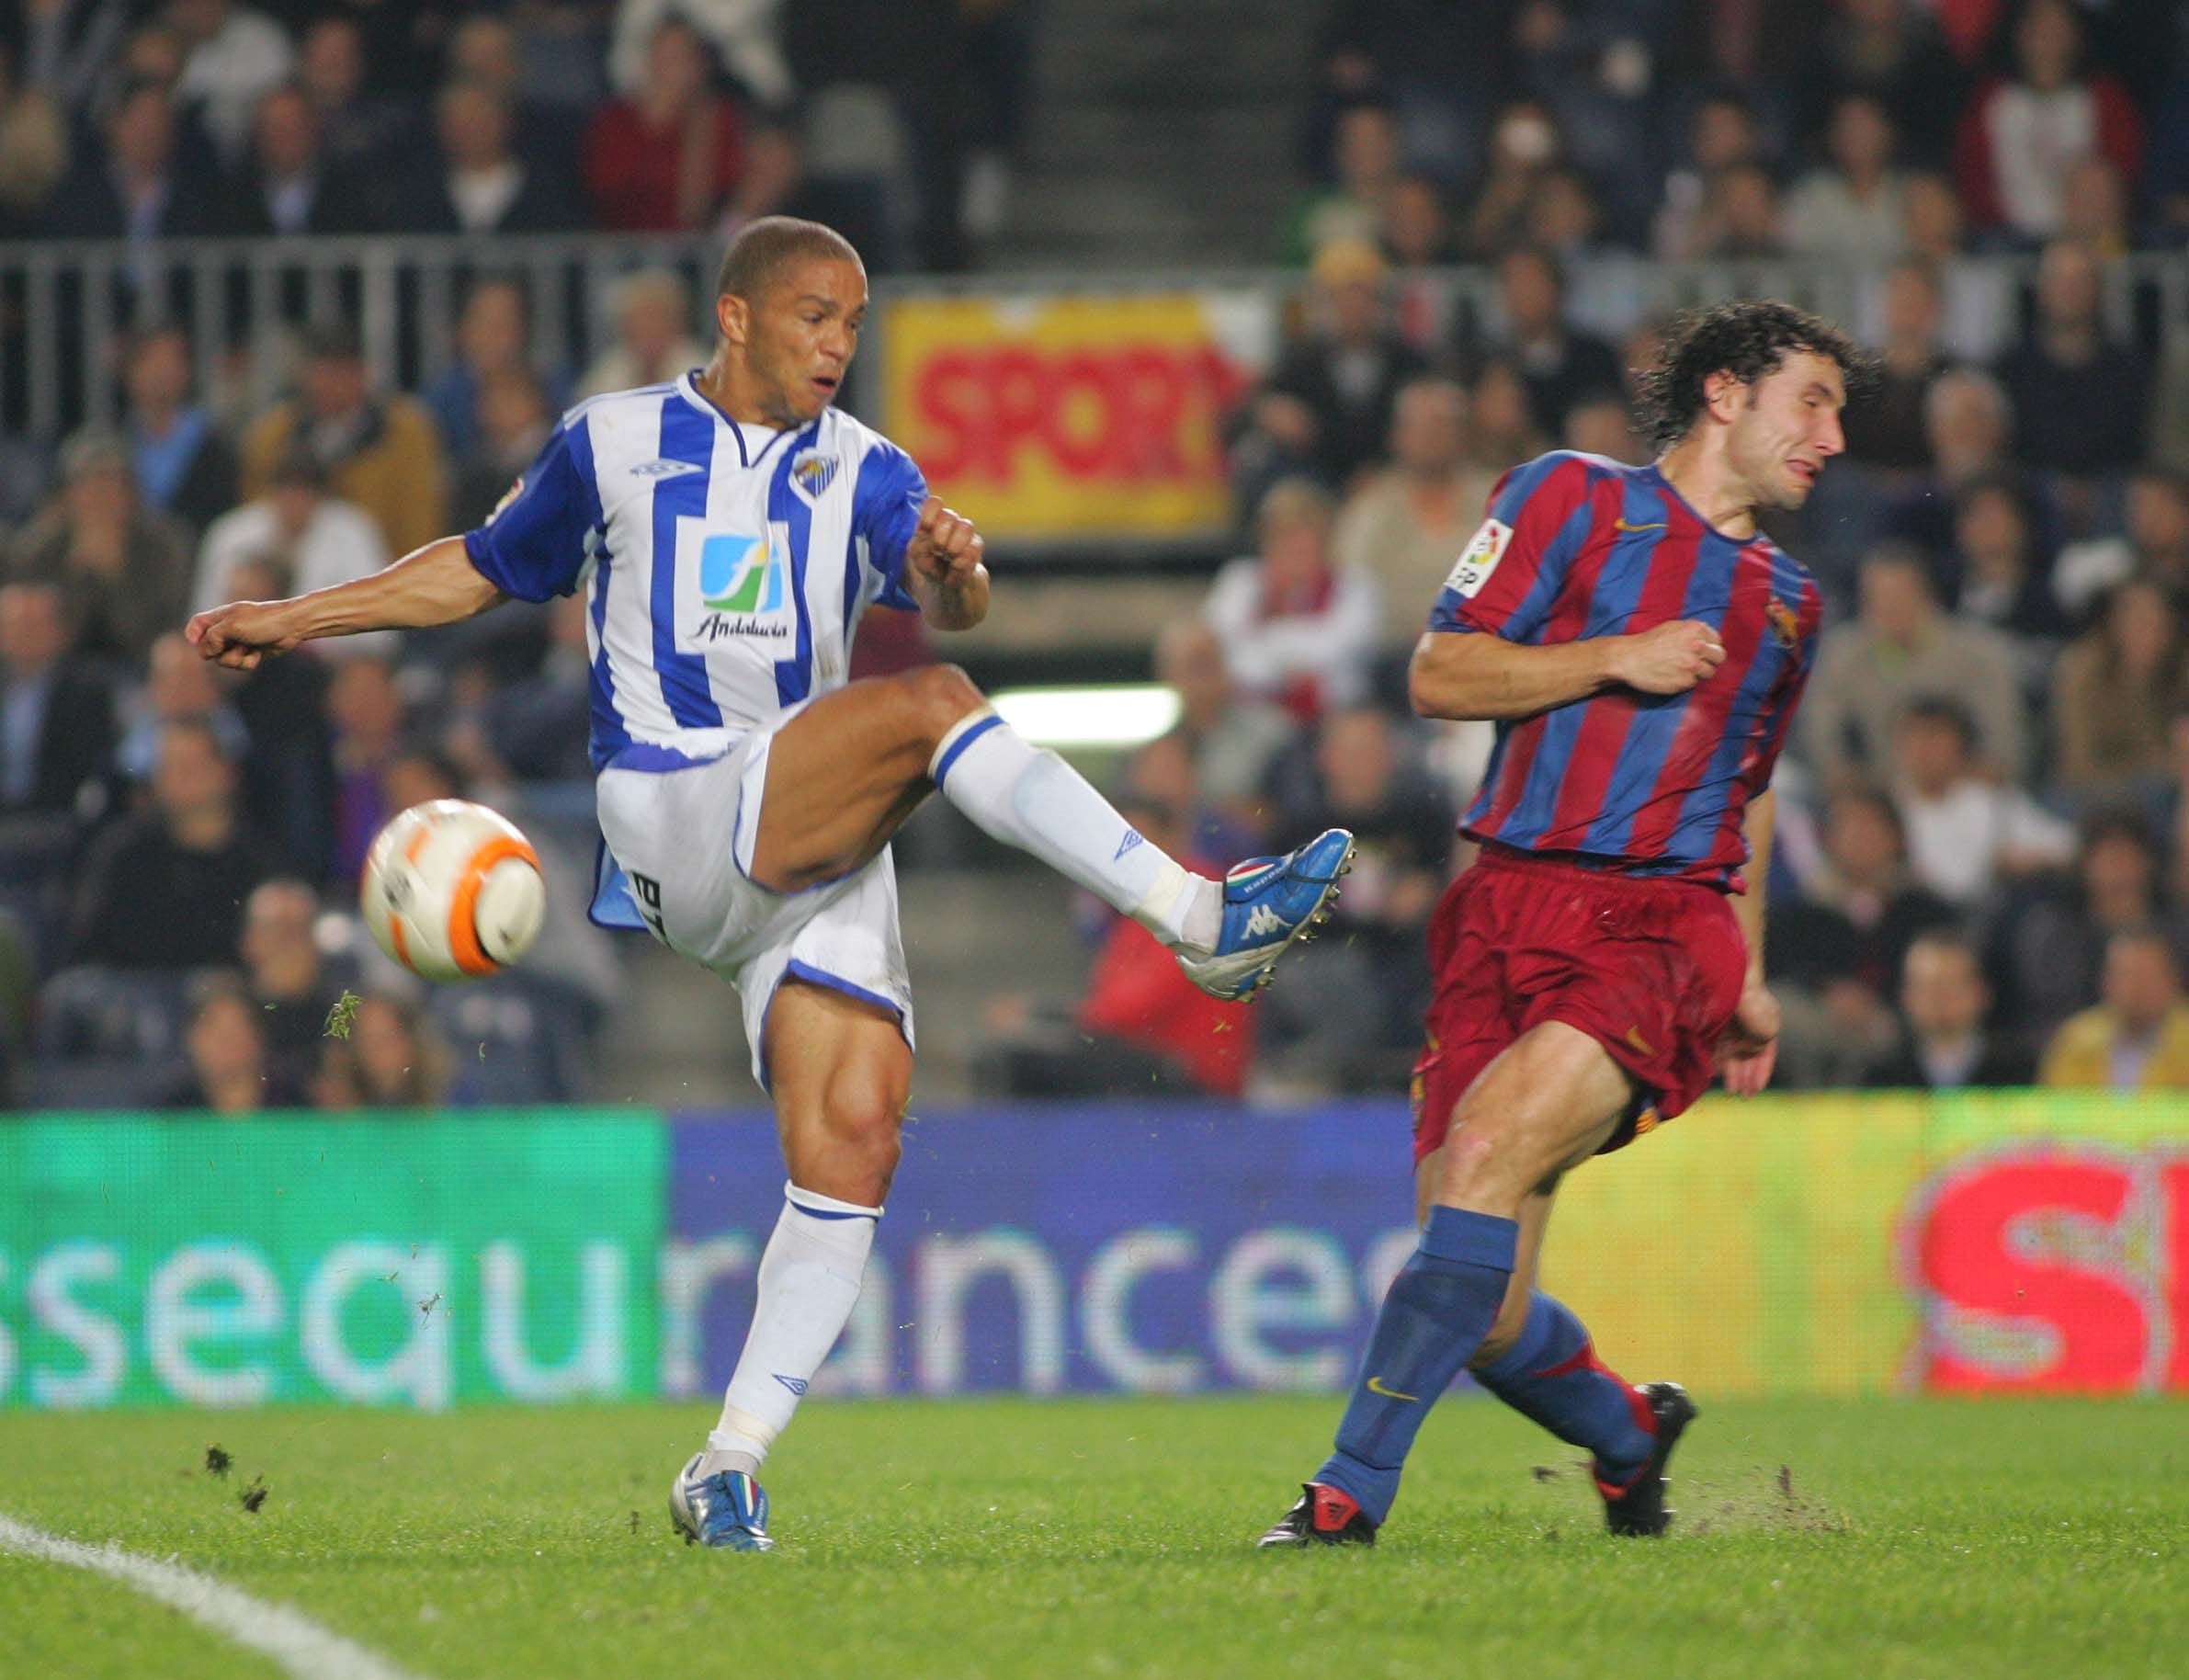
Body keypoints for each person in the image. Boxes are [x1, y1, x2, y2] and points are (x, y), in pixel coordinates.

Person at [187, 215, 1354, 1551]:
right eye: (813, 317)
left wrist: (951, 572)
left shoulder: (865, 467)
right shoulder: (613, 442)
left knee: (853, 1142)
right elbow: (476, 569)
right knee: (926, 707)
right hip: (675, 808)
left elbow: (950, 594)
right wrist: (294, 617)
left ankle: (726, 1464)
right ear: (735, 317)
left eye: (853, 324)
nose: (837, 348)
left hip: (810, 840)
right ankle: (1202, 919)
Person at [1256, 299, 1865, 1549]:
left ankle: (1342, 1497)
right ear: (1722, 393)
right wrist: (1610, 656)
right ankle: (1629, 1438)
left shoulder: (1789, 604)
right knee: (1474, 1301)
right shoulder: (1566, 499)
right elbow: (1438, 671)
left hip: (1656, 928)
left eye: (1838, 412)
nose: (1832, 436)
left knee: (1481, 1162)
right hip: (1502, 910)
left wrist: (1744, 977)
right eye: (1810, 400)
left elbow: (1737, 797)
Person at [1863, 929, 2034, 1090]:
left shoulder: (2023, 1073)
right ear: (1907, 996)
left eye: (1952, 985)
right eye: (1929, 987)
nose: (1941, 998)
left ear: (1980, 992)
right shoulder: (1878, 1076)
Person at [2038, 927, 2189, 1090]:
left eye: (2147, 975)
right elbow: (2054, 1106)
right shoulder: (2074, 1042)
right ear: (2105, 981)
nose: (2136, 987)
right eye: (2126, 974)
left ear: (2173, 980)